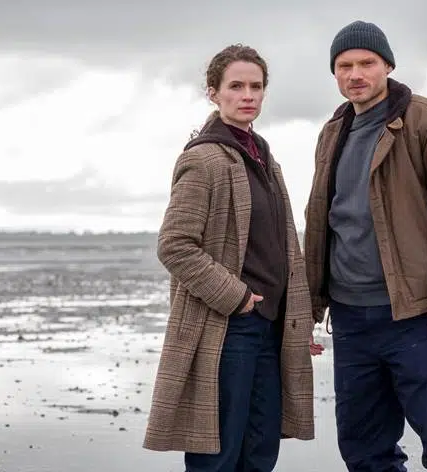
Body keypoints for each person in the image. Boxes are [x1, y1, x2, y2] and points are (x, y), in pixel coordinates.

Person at [304, 20, 427, 472]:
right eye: (344, 66)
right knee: (364, 449)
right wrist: (307, 308)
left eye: (366, 63)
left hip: (415, 313)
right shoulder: (333, 131)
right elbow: (320, 221)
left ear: (387, 65)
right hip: (350, 317)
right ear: (334, 73)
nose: (355, 74)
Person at [143, 44, 324, 472]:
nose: (248, 95)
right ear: (213, 93)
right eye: (236, 86)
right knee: (218, 454)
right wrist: (236, 297)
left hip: (270, 327)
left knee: (260, 450)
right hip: (227, 326)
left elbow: (283, 249)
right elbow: (175, 245)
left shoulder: (265, 158)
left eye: (256, 87)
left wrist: (298, 320)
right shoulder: (203, 159)